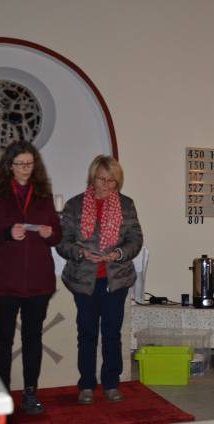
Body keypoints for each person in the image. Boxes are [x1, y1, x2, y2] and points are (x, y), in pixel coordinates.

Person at [0, 141, 61, 415]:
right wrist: (6, 234)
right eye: (20, 164)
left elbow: (57, 234)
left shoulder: (44, 195)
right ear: (8, 166)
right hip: (2, 282)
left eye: (30, 164)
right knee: (2, 338)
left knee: (33, 338)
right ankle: (1, 398)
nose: (26, 169)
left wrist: (51, 234)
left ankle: (30, 394)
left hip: (37, 281)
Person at [56, 155, 143, 405]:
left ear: (118, 182)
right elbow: (62, 242)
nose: (105, 185)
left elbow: (135, 239)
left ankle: (111, 383)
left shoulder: (127, 205)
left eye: (111, 181)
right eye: (100, 179)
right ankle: (86, 385)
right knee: (87, 333)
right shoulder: (74, 205)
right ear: (92, 177)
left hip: (115, 280)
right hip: (84, 280)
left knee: (112, 333)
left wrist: (119, 253)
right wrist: (81, 252)